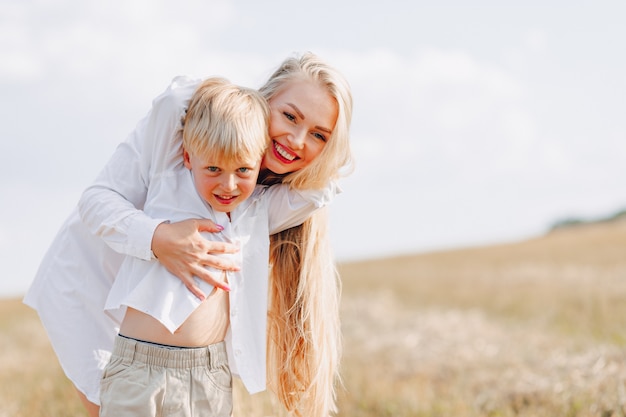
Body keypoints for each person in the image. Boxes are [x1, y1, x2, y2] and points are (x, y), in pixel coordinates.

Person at [24, 52, 353, 417]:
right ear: (263, 102)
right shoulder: (184, 136)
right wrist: (159, 238)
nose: (296, 139)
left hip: (201, 368)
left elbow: (321, 189)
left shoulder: (256, 206)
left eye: (319, 135)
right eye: (290, 116)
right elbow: (98, 199)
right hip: (91, 290)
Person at [99, 77, 338, 417]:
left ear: (260, 160)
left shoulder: (257, 211)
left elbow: (320, 192)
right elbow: (171, 100)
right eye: (213, 168)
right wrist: (235, 96)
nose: (228, 184)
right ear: (187, 156)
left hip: (209, 374)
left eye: (243, 169)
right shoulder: (169, 181)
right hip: (140, 368)